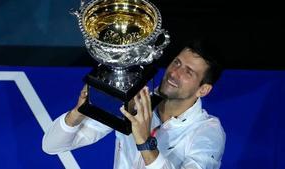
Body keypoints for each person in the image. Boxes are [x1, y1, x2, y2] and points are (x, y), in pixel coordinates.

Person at [42, 37, 226, 169]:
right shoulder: (136, 100)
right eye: (176, 63)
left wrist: (145, 142)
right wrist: (79, 111)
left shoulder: (208, 131)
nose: (174, 73)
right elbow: (52, 146)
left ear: (203, 90)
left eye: (188, 72)